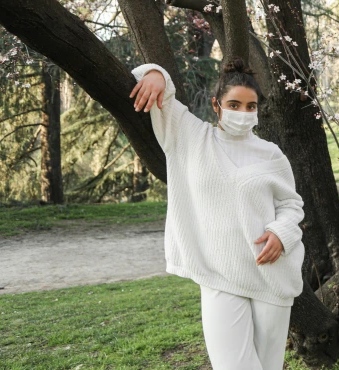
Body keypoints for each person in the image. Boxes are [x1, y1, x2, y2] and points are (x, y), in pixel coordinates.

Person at [129, 57, 305, 370]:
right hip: (220, 275)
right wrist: (154, 72)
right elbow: (161, 92)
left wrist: (282, 233)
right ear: (216, 104)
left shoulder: (271, 154)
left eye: (250, 107)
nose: (243, 113)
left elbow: (291, 205)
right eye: (234, 104)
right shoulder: (190, 138)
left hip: (271, 272)